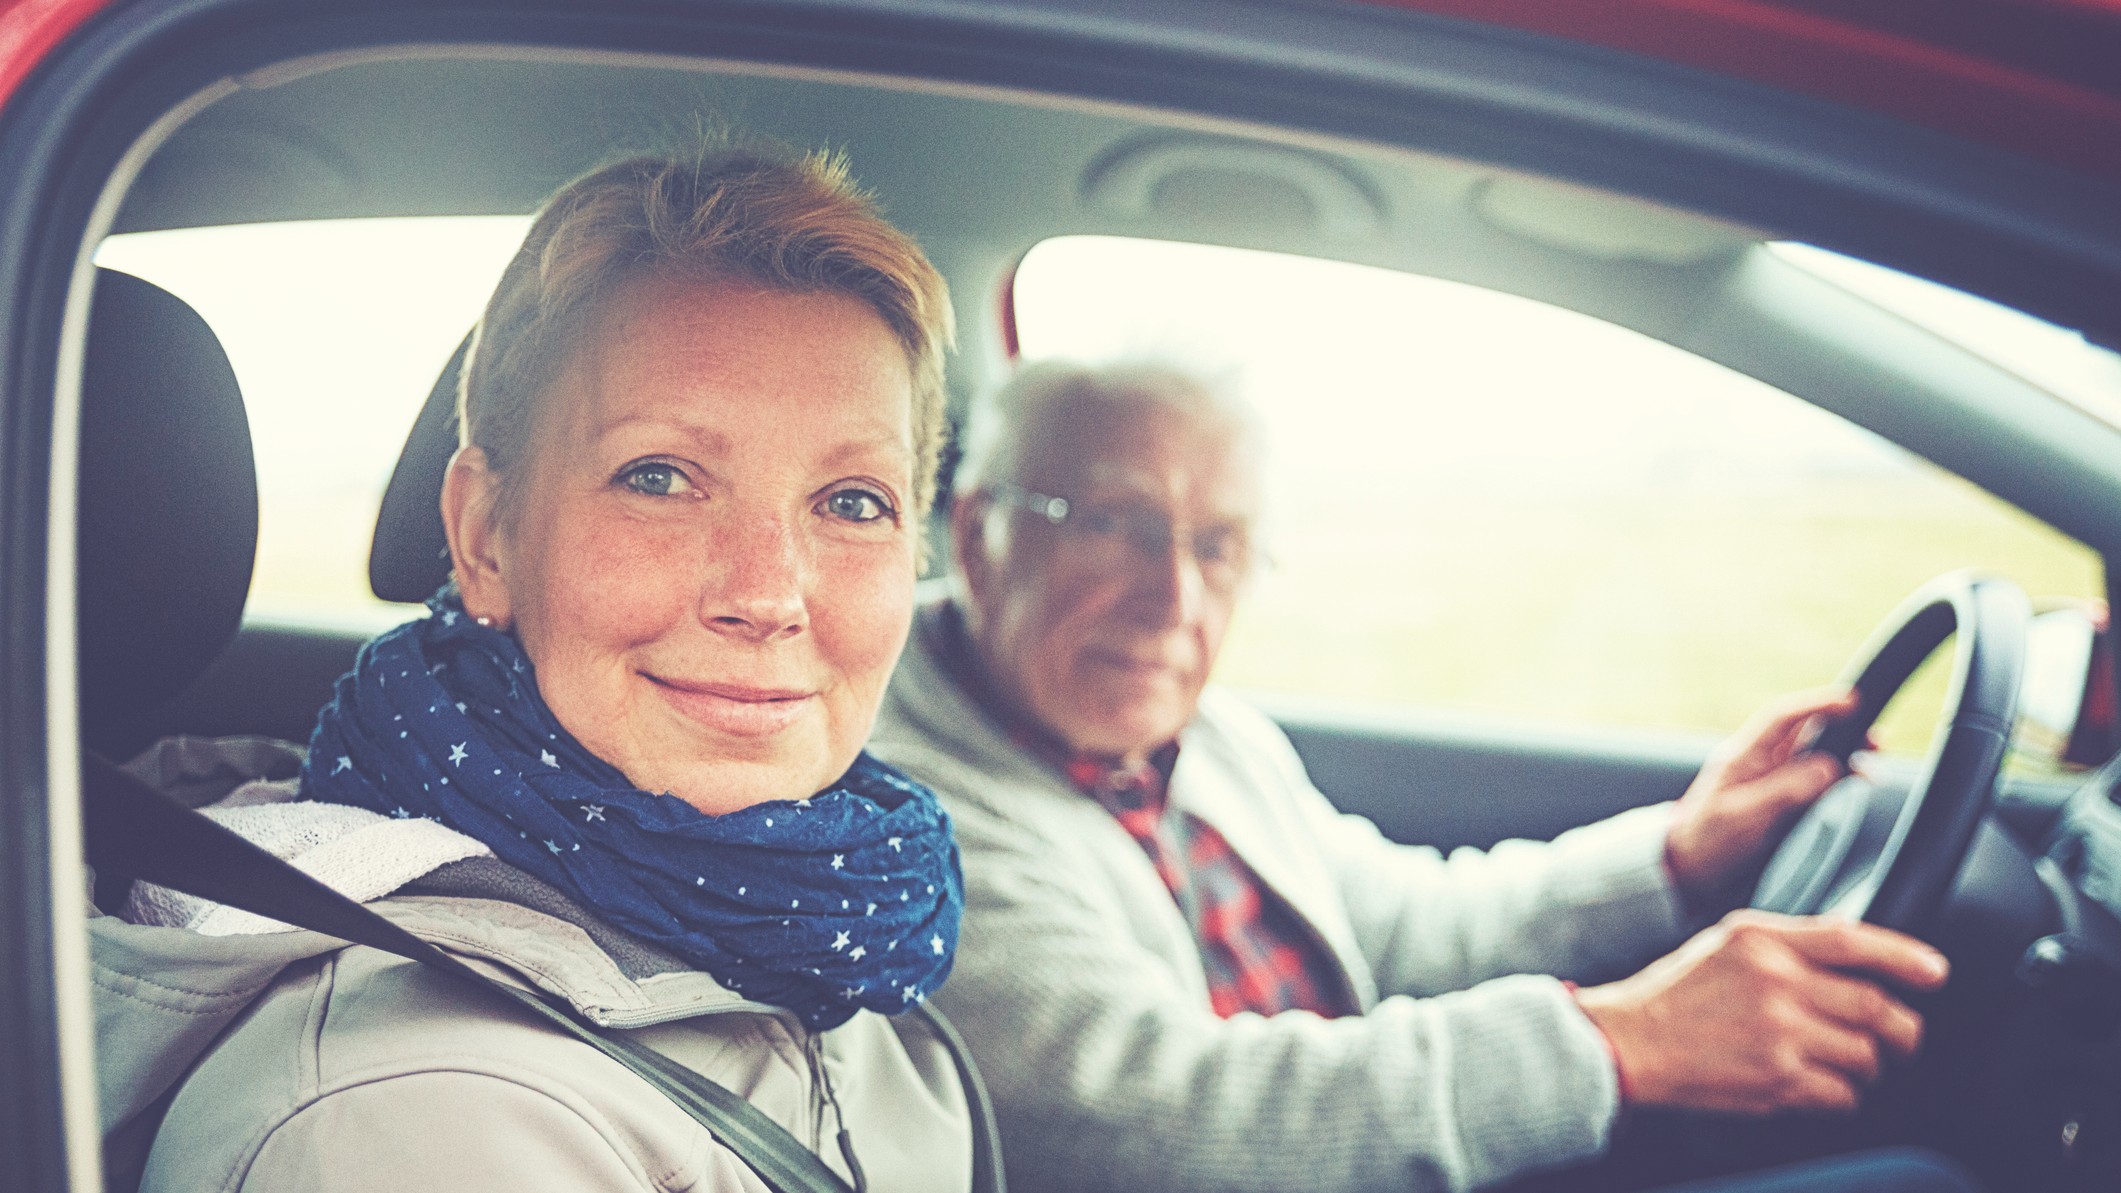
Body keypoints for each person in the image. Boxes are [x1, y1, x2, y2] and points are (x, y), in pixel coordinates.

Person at [92, 146, 976, 1192]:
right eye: (660, 477)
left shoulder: (840, 919)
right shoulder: (419, 1120)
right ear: (486, 538)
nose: (769, 592)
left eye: (852, 501)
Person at [865, 361, 1972, 1193]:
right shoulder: (909, 819)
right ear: (976, 536)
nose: (1175, 598)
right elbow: (1169, 1121)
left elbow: (1406, 925)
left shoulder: (1203, 738)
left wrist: (1675, 855)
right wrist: (1621, 1041)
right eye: (1117, 524)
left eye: (1218, 545)